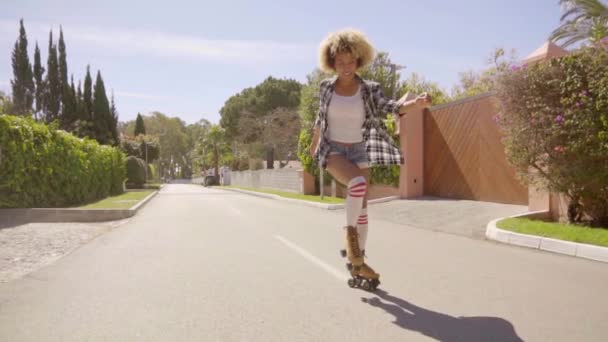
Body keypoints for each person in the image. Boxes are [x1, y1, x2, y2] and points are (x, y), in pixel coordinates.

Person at [310, 28, 432, 291]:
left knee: (363, 209)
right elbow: (320, 118)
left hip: (360, 150)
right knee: (356, 184)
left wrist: (417, 104)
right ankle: (351, 243)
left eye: (350, 61)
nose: (345, 67)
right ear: (332, 63)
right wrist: (314, 144)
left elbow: (391, 106)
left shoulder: (369, 89)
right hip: (334, 150)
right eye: (340, 62)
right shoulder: (325, 88)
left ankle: (358, 260)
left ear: (358, 60)